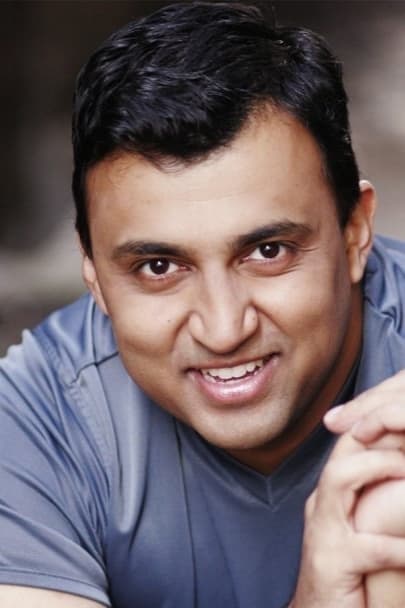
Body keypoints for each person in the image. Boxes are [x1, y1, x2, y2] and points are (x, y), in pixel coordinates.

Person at [1, 2, 405, 607]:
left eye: (267, 251)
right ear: (93, 273)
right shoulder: (37, 423)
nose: (223, 329)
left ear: (355, 233)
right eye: (159, 267)